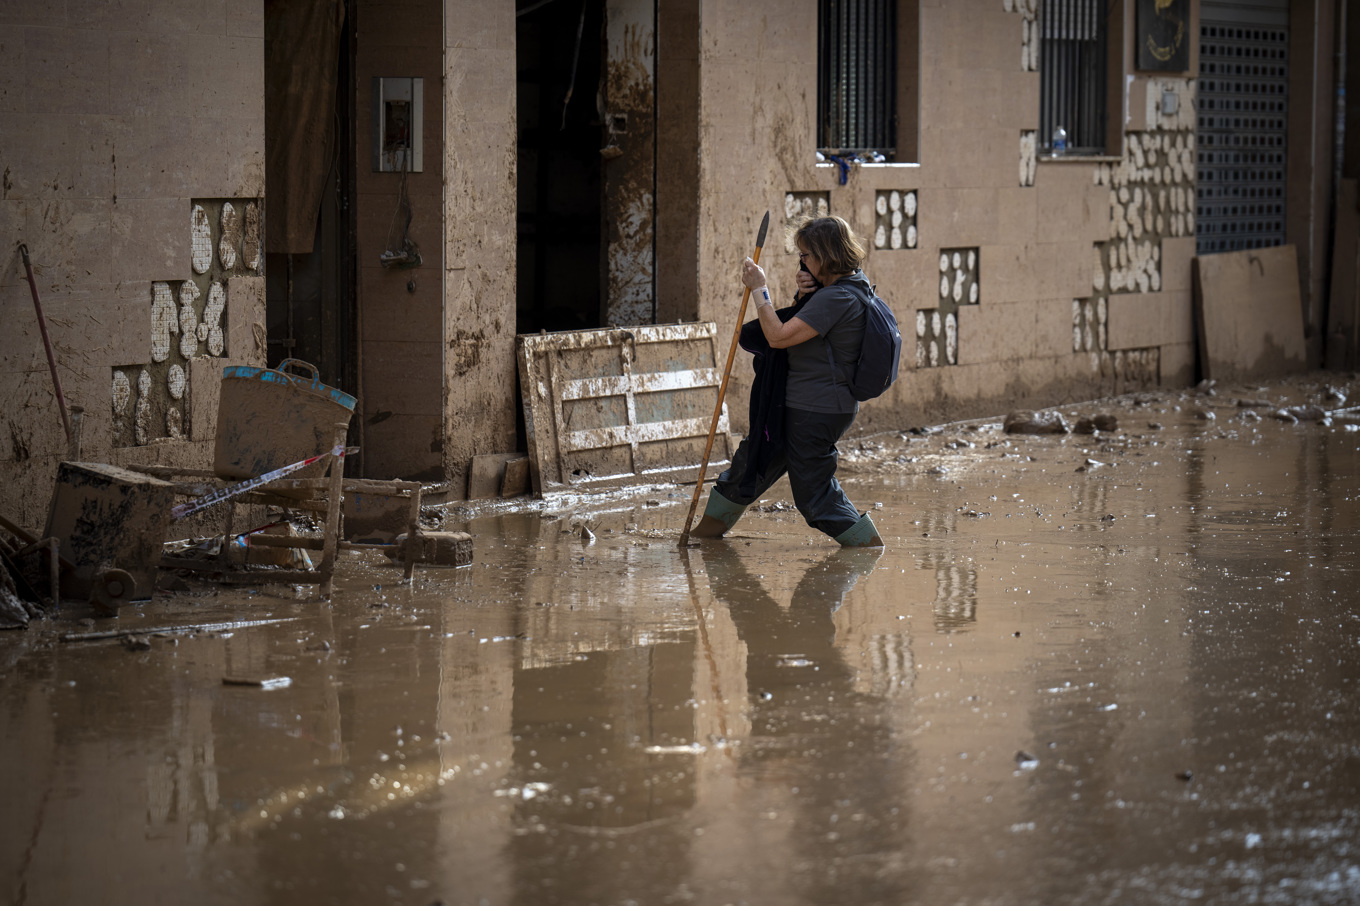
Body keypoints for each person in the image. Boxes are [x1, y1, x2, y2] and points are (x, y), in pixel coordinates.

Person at [691, 215, 883, 546]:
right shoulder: (844, 288)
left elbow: (778, 337)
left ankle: (869, 550)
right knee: (749, 467)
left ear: (826, 254)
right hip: (799, 405)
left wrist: (759, 289)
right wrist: (803, 298)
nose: (802, 262)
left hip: (816, 409)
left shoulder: (837, 298)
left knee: (815, 495)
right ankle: (704, 537)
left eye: (806, 254)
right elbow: (809, 335)